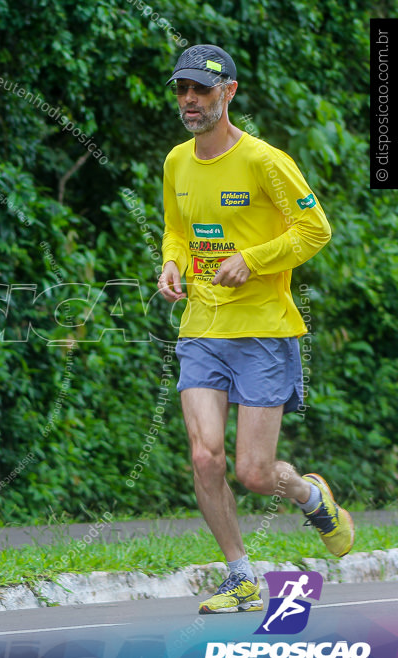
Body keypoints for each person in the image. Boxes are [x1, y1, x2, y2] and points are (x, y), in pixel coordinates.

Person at [157, 45, 354, 615]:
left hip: (264, 331)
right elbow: (175, 230)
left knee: (254, 472)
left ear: (229, 93)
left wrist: (255, 258)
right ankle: (240, 575)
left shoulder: (267, 161)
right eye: (182, 90)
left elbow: (316, 230)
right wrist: (170, 263)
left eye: (201, 89)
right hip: (201, 327)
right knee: (204, 457)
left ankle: (311, 496)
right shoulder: (176, 162)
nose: (189, 100)